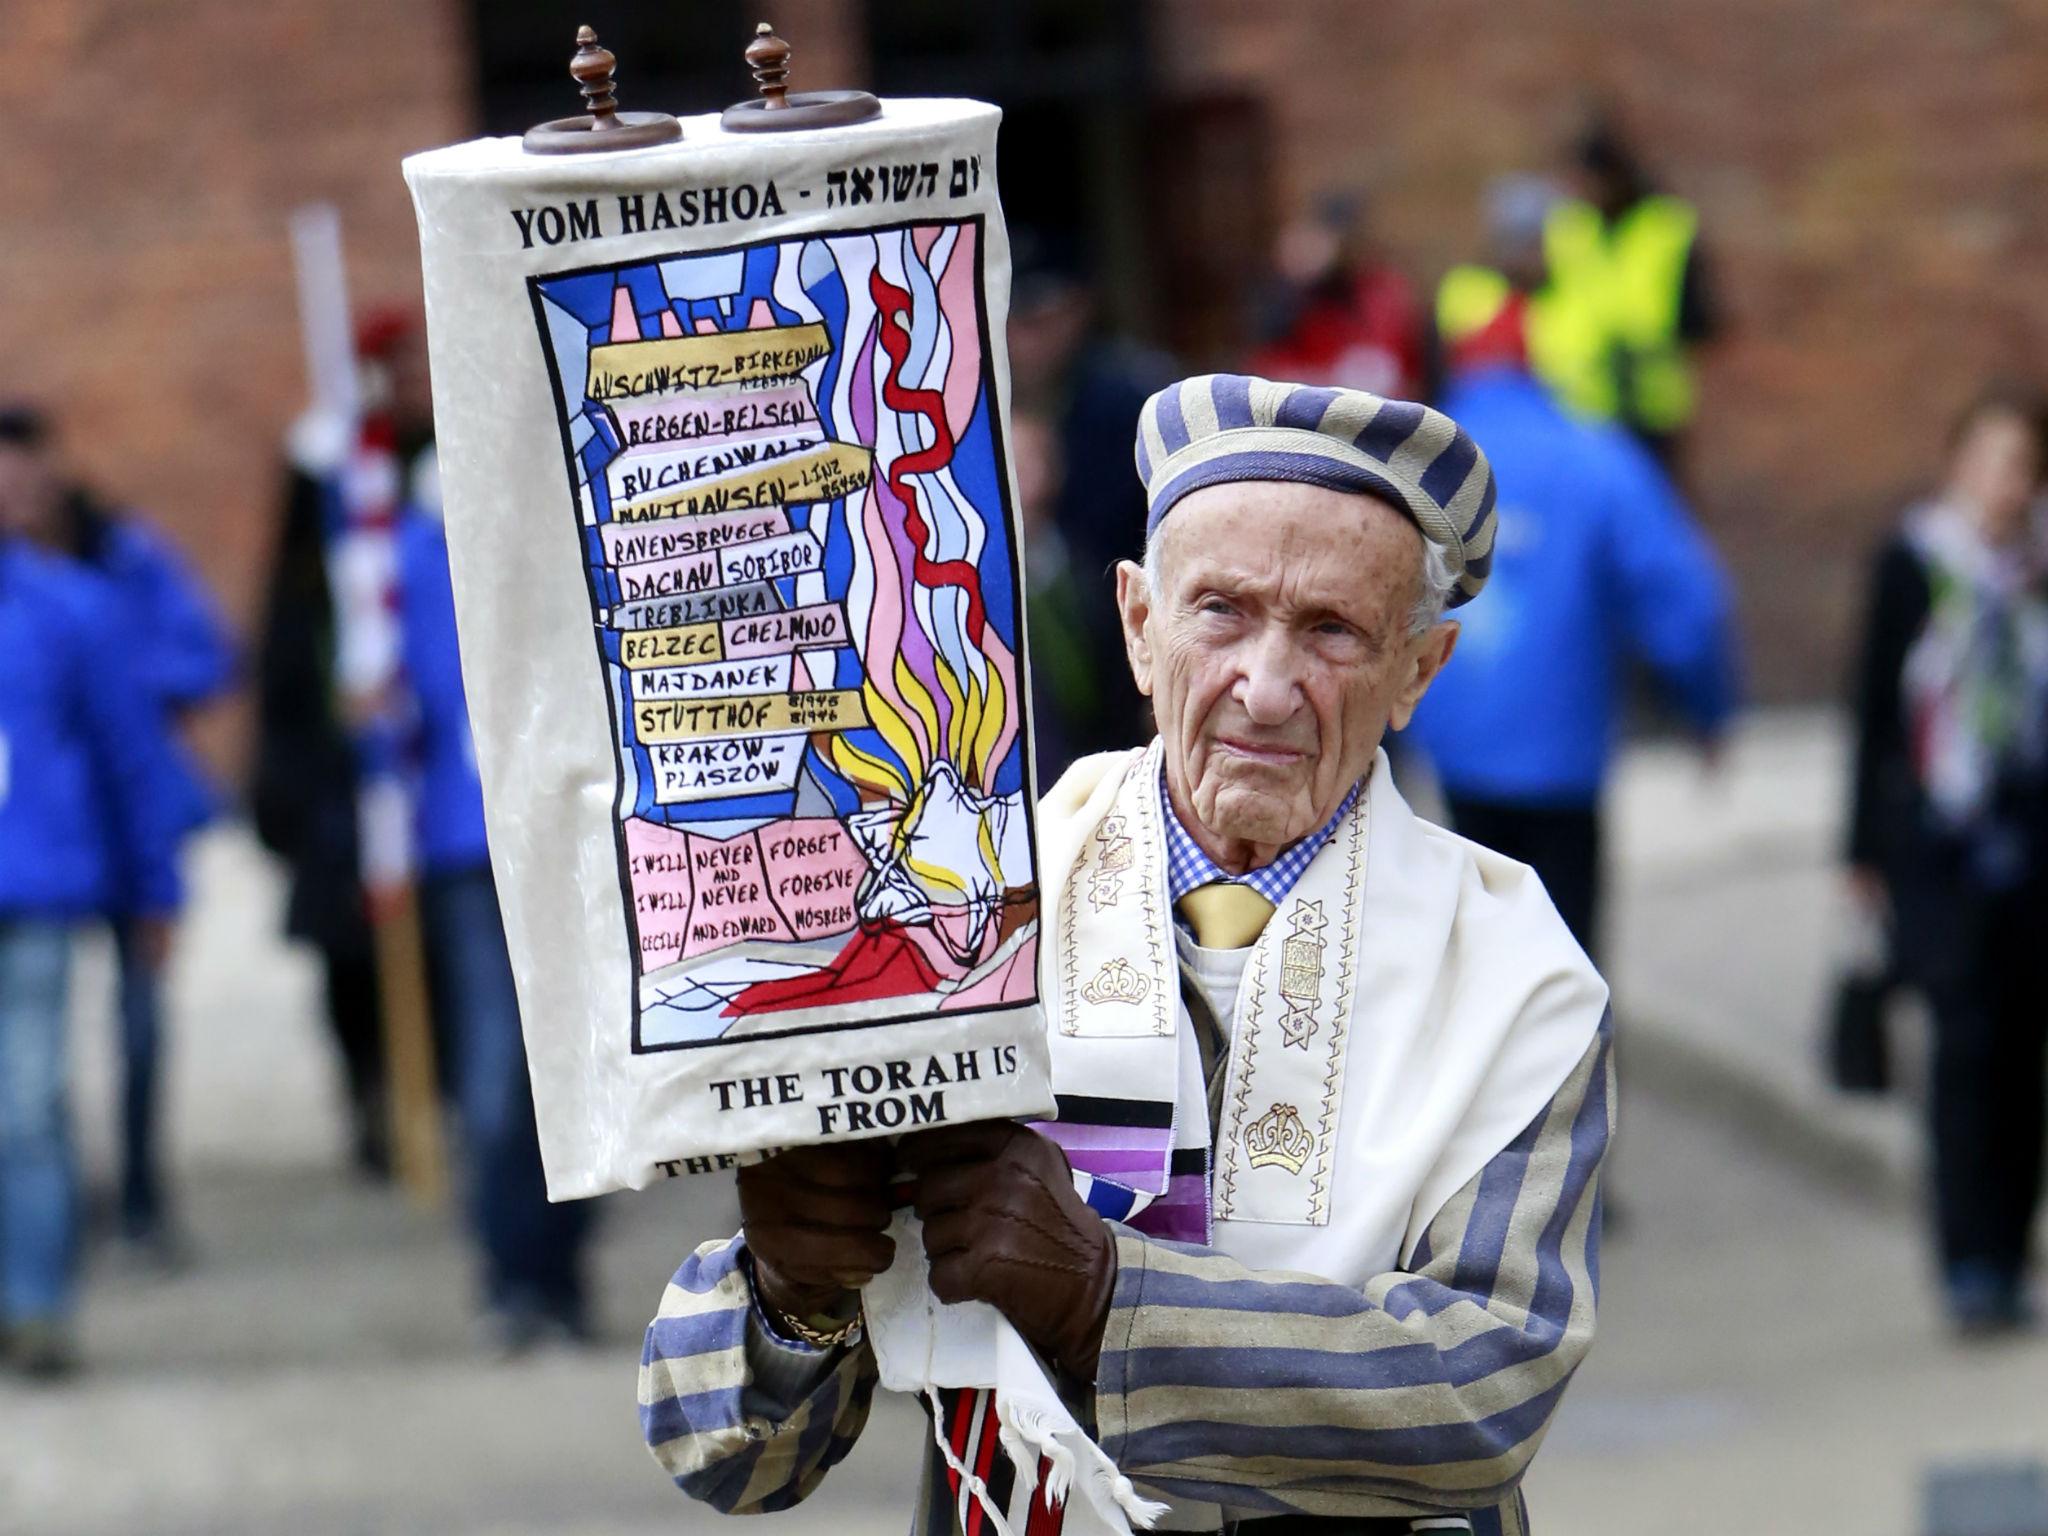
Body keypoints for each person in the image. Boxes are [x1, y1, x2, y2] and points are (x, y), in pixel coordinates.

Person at [639, 375, 1614, 1533]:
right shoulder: (961, 910)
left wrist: (1109, 1301)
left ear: (1420, 671)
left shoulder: (1512, 972)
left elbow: (1481, 1399)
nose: (1264, 685)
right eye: (1219, 611)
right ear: (1138, 625)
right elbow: (726, 1463)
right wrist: (792, 1298)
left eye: (1331, 630)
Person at [1407, 288, 1738, 958]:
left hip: (1452, 753)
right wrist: (1707, 709)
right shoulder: (1595, 456)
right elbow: (1686, 600)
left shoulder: (1417, 466)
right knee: (1563, 959)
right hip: (1565, 762)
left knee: (1474, 949)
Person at [0, 407, 235, 1255]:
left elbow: (206, 655)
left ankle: (139, 1190)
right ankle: (54, 1210)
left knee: (136, 1022)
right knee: (34, 1062)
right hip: (41, 835)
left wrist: (120, 677)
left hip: (123, 811)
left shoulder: (120, 557)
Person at [1847, 384, 2048, 1335]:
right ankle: (1966, 1257)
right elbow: (1874, 709)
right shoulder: (1917, 563)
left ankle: (2009, 1253)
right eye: (1995, 462)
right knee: (1963, 1044)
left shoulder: (2039, 568)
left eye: (2025, 466)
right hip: (1939, 839)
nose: (2010, 486)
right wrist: (1860, 849)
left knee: (2022, 1055)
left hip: (2032, 832)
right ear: (1960, 465)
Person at [0, 437, 182, 1377]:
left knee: (27, 1104)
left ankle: (35, 1303)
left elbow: (128, 757)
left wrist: (153, 887)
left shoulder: (69, 610)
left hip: (31, 894)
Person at [398, 505, 591, 1350]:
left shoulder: (554, 528)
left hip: (561, 841)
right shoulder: (404, 555)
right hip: (468, 847)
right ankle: (509, 1272)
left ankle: (561, 1271)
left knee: (569, 1067)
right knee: (495, 1075)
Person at [253, 308, 440, 1177]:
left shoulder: (433, 469)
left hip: (429, 773)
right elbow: (292, 634)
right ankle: (373, 1092)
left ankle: (430, 1100)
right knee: (350, 953)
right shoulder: (327, 482)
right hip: (339, 779)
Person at [1542, 117, 1722, 465]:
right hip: (1580, 406)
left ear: (1612, 177)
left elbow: (1702, 319)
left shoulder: (1665, 227)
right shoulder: (1567, 226)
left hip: (1650, 407)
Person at [1249, 191, 1427, 402]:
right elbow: (1268, 362)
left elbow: (1414, 369)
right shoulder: (1299, 293)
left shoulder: (1385, 291)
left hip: (1382, 413)